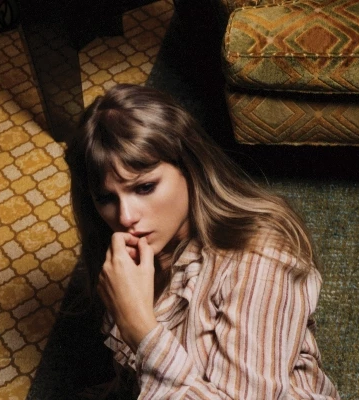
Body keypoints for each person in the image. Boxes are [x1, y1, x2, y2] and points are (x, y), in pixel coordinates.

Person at [66, 83, 340, 399]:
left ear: (190, 167)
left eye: (145, 188)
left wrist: (140, 330)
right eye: (106, 198)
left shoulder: (261, 258)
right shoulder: (125, 259)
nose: (126, 217)